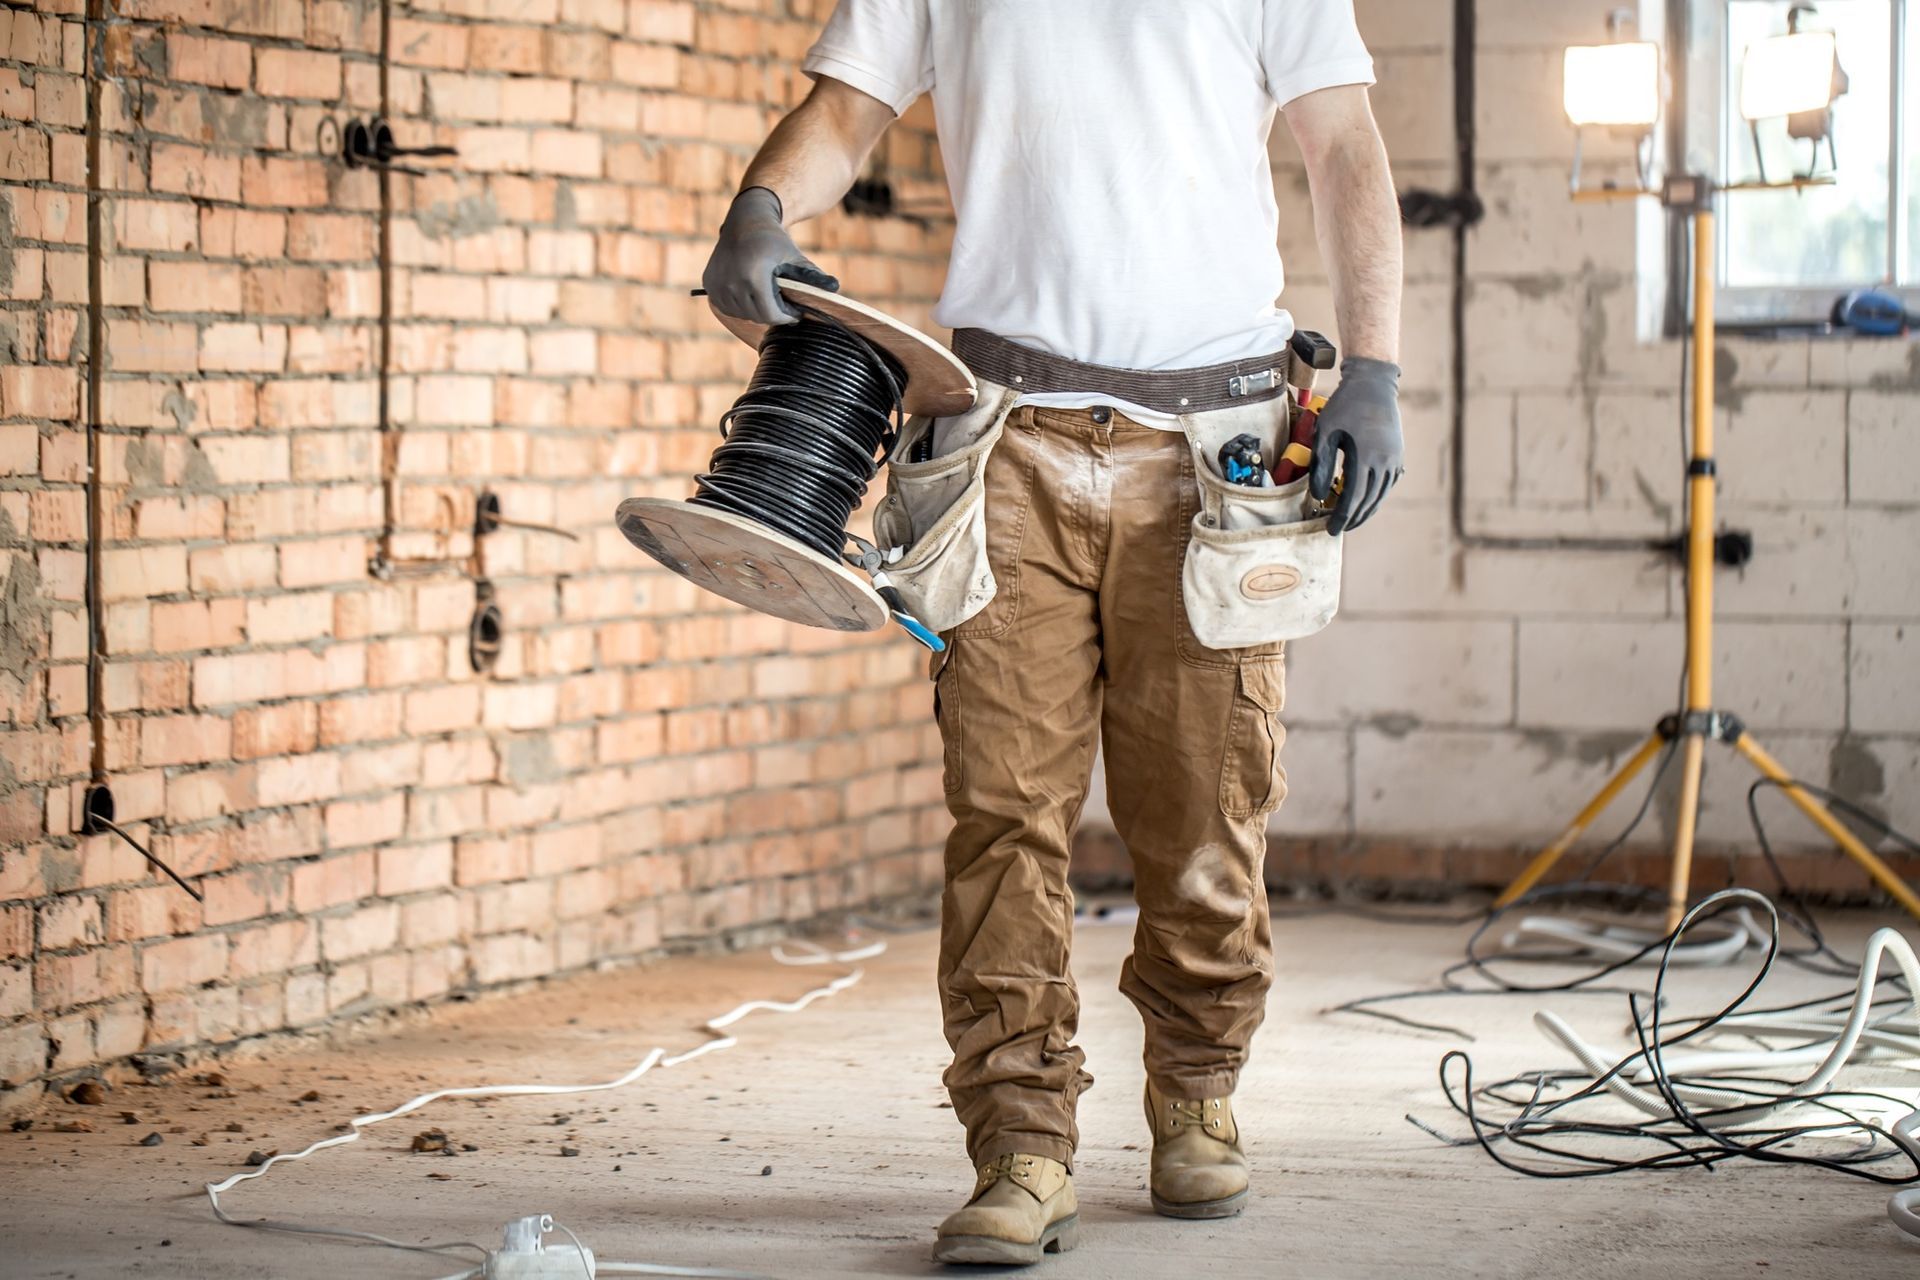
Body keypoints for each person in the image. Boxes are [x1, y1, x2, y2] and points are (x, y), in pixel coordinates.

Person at [702, 1, 1402, 1267]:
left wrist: (1378, 367)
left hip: (1218, 452)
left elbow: (1344, 143)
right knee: (1003, 809)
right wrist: (763, 203)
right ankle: (1020, 1144)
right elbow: (848, 109)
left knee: (1203, 804)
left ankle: (1196, 1092)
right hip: (1001, 432)